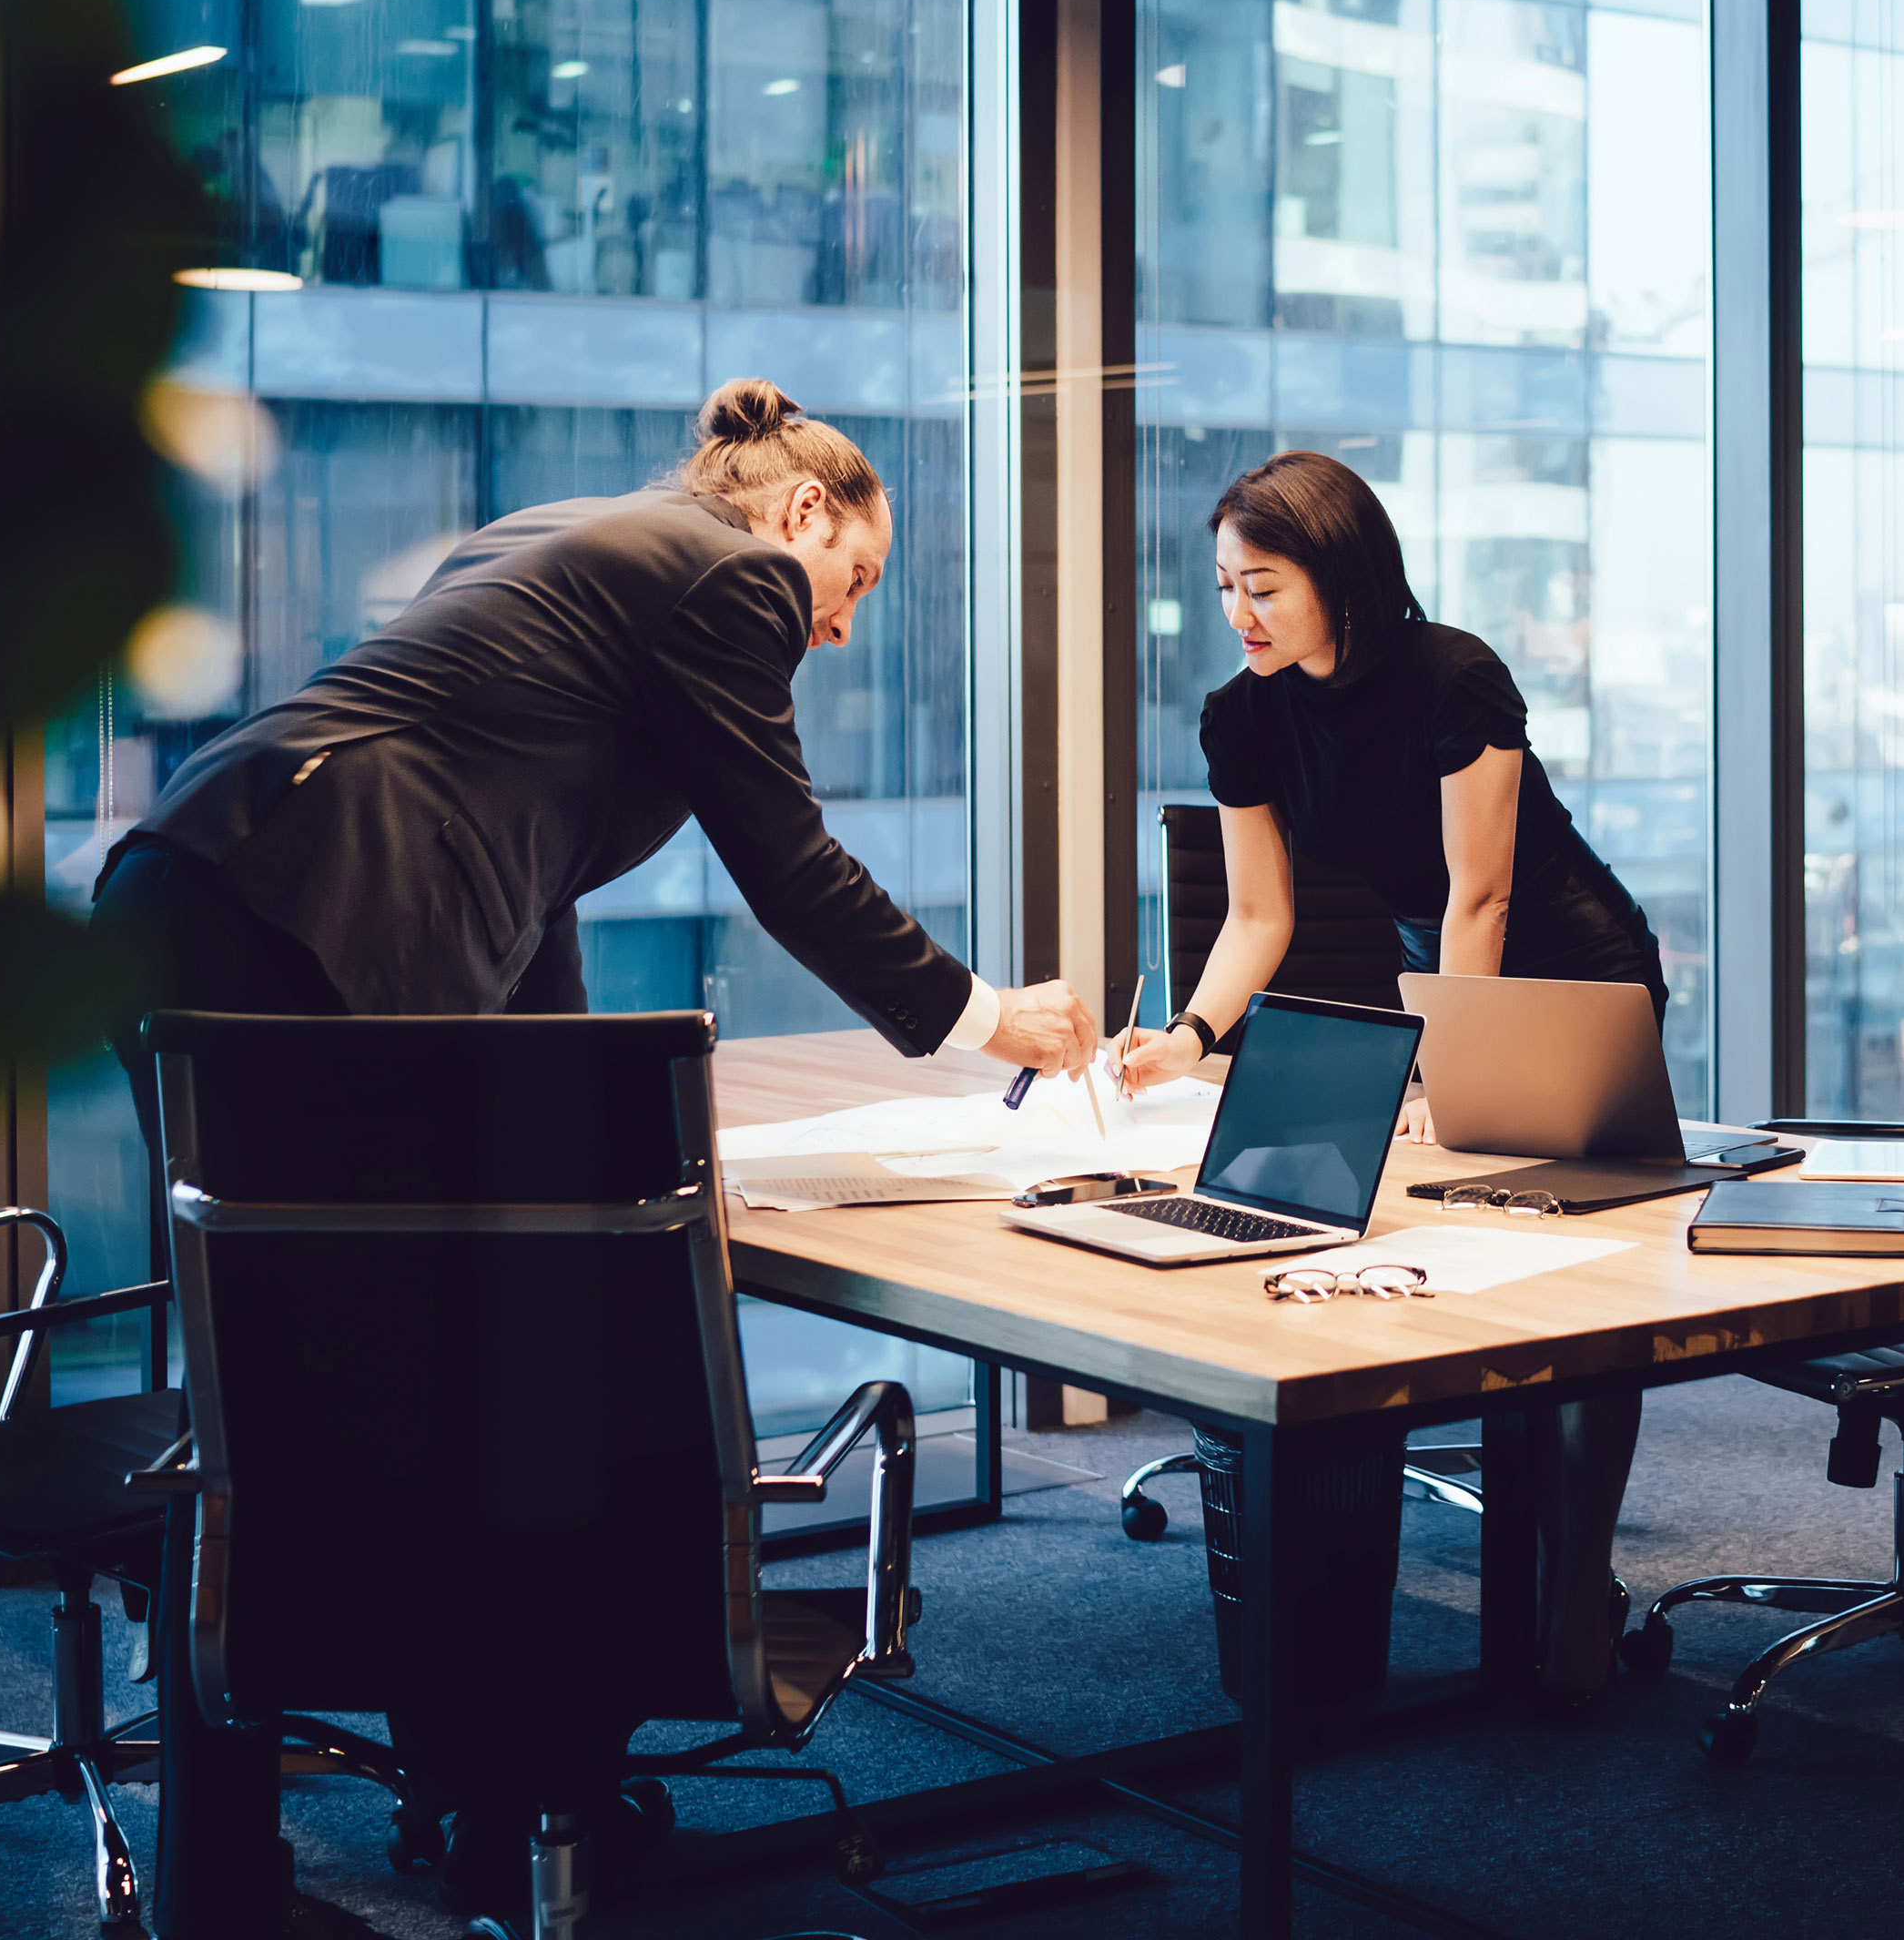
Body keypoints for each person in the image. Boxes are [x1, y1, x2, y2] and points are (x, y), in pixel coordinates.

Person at [92, 379, 1099, 1928]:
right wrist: (982, 1017)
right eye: (859, 584)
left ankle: (319, 1829)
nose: (838, 627)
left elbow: (526, 858)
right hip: (308, 930)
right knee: (445, 1392)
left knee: (280, 1374)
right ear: (805, 515)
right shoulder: (734, 572)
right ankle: (501, 1819)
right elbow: (790, 859)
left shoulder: (563, 533)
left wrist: (557, 1111)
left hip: (205, 892)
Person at [1111, 448, 1664, 1712]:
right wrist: (1188, 1038)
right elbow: (1258, 917)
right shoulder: (1243, 715)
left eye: (1262, 586)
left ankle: (1576, 1588)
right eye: (1224, 588)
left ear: (1341, 577)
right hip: (1440, 969)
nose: (1237, 615)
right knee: (1459, 1238)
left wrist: (1452, 1059)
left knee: (1592, 1275)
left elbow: (1489, 891)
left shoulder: (1450, 677)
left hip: (1566, 972)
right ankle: (1513, 1593)